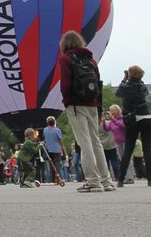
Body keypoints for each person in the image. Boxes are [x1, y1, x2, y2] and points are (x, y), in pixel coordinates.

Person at [58, 30, 114, 192]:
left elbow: (65, 84)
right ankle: (106, 181)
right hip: (93, 104)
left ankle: (92, 181)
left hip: (76, 105)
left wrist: (67, 101)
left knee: (84, 142)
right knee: (96, 142)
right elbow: (99, 84)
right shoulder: (91, 60)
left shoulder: (66, 59)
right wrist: (100, 107)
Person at [116, 65, 151, 187]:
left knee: (128, 149)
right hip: (147, 117)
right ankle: (150, 179)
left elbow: (118, 93)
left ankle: (121, 179)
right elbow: (141, 87)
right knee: (147, 148)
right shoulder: (143, 86)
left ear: (130, 75)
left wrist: (125, 78)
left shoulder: (126, 87)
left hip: (133, 118)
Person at [103, 105, 134, 183]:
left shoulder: (122, 118)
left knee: (128, 159)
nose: (111, 112)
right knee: (122, 160)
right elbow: (107, 129)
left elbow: (123, 126)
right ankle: (125, 177)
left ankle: (130, 177)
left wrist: (113, 120)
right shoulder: (111, 122)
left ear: (117, 111)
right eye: (110, 111)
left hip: (125, 141)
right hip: (118, 142)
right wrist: (103, 122)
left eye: (112, 110)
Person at [99, 111, 121, 180]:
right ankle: (117, 176)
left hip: (103, 144)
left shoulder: (98, 125)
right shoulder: (109, 123)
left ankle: (107, 176)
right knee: (114, 161)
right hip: (112, 144)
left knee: (106, 162)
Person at [42, 117, 65, 183]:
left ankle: (53, 179)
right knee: (58, 165)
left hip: (49, 150)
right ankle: (59, 179)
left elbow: (45, 138)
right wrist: (63, 150)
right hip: (57, 149)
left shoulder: (45, 130)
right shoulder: (57, 130)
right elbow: (61, 141)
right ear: (54, 122)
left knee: (51, 165)